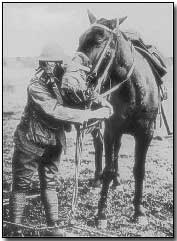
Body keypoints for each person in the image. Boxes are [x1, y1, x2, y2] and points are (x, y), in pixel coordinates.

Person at [8, 51, 113, 237]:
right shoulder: (36, 86)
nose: (54, 66)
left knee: (50, 183)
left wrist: (103, 103)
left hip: (54, 143)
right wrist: (93, 114)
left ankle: (53, 227)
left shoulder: (64, 81)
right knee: (21, 184)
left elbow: (84, 92)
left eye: (57, 63)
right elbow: (56, 111)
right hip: (29, 142)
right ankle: (14, 228)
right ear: (43, 64)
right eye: (50, 63)